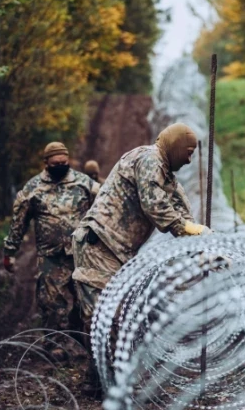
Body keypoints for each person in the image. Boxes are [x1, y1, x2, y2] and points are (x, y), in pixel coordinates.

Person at [71, 123, 214, 395]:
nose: (189, 159)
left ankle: (100, 382)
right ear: (173, 147)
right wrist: (188, 229)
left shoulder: (166, 174)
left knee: (116, 316)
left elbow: (181, 212)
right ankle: (111, 387)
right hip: (98, 244)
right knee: (107, 317)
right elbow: (155, 206)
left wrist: (205, 246)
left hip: (116, 252)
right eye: (187, 151)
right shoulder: (148, 159)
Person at [3, 142, 100, 361]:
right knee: (51, 302)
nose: (60, 166)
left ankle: (84, 341)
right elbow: (19, 221)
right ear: (46, 163)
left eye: (63, 163)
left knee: (85, 300)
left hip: (81, 254)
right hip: (50, 256)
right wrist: (10, 251)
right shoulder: (33, 188)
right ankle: (54, 345)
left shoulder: (84, 183)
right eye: (55, 164)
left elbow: (103, 207)